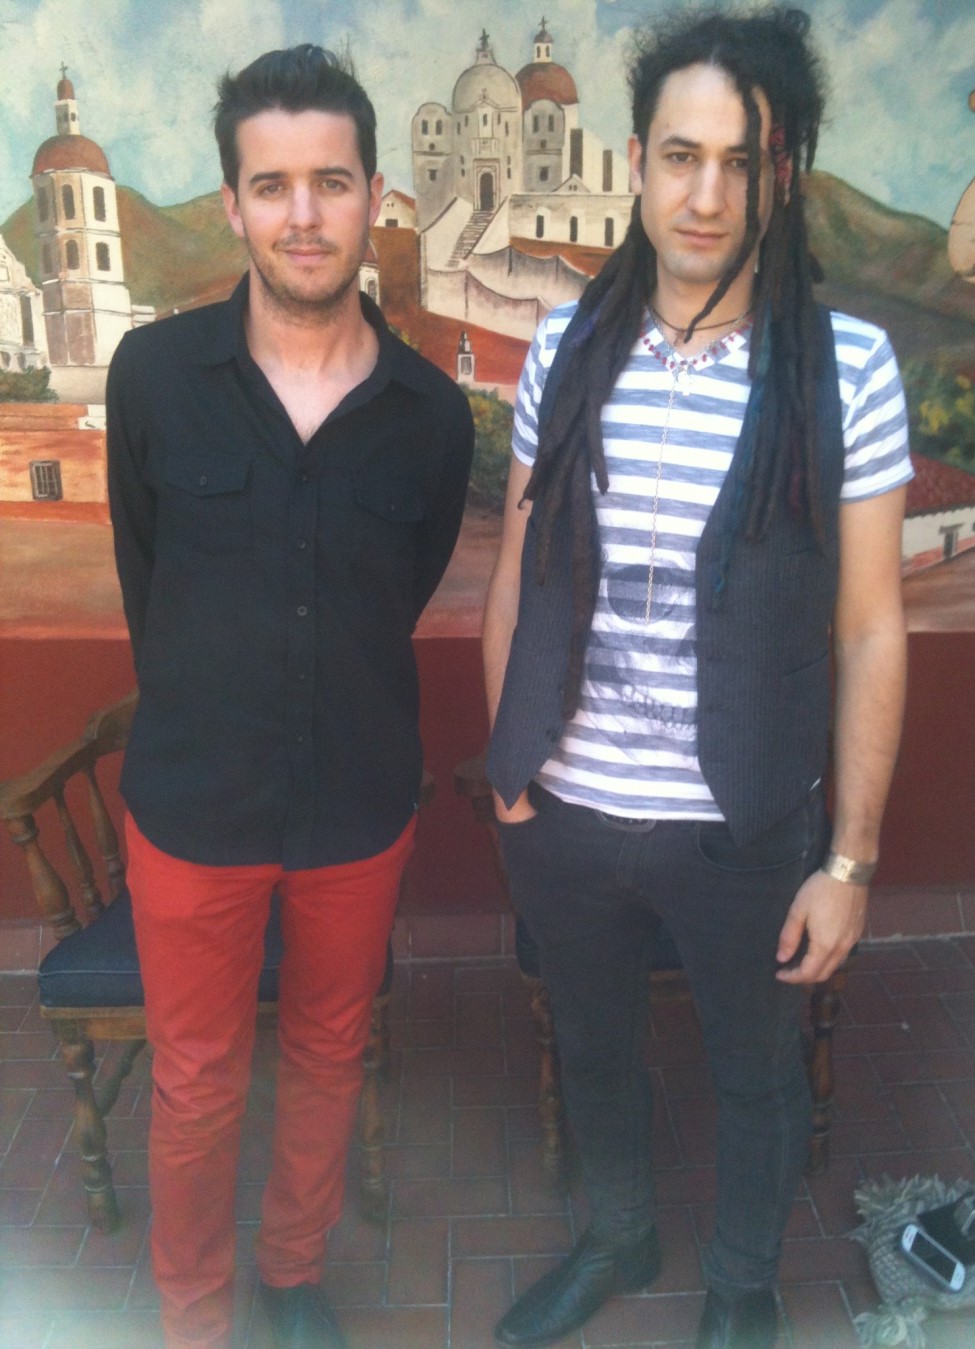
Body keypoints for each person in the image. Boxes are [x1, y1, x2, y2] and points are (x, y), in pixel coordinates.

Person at [482, 8, 911, 1347]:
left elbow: (871, 627)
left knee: (756, 1069)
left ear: (782, 174)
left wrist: (849, 860)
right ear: (636, 163)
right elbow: (520, 570)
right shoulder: (567, 346)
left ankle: (740, 1281)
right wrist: (509, 775)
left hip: (744, 818)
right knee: (596, 1050)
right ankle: (619, 1233)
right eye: (682, 156)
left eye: (743, 161)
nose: (708, 194)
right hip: (568, 805)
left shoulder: (847, 368)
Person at [107, 44, 473, 1349]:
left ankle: (293, 1270)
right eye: (273, 185)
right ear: (232, 204)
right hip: (194, 807)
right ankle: (195, 1315)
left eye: (332, 181)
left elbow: (400, 587)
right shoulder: (153, 378)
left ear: (373, 192)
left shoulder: (432, 416)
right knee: (198, 1083)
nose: (304, 214)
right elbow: (147, 578)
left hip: (357, 805)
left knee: (327, 1055)